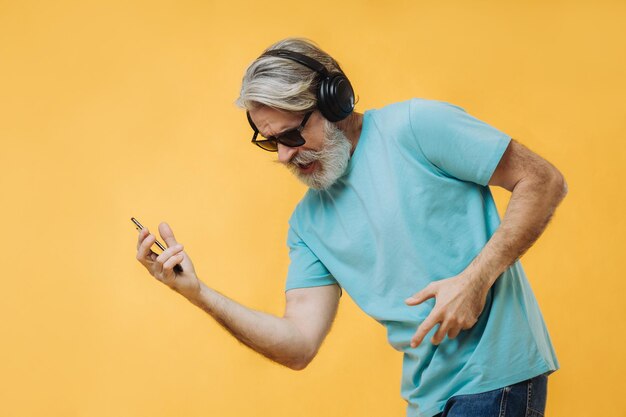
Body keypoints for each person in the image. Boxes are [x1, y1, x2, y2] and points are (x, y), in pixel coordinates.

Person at [134, 38, 567, 417]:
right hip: (426, 400)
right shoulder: (307, 224)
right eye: (270, 142)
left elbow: (543, 180)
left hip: (495, 377)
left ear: (333, 102)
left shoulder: (417, 127)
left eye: (291, 136)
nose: (283, 157)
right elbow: (299, 344)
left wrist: (475, 281)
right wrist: (198, 293)